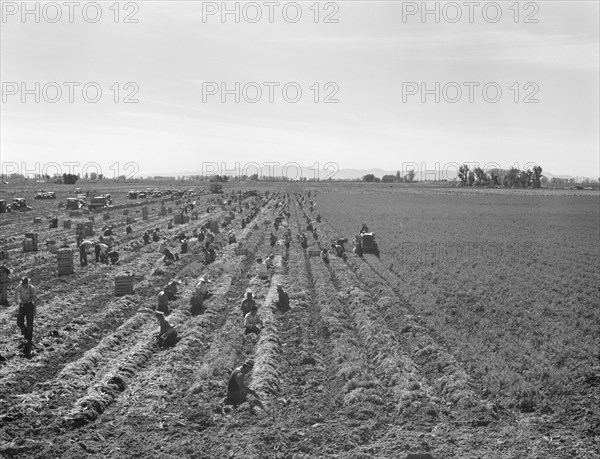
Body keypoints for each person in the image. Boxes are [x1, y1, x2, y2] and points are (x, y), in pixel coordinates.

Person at [15, 277, 37, 349]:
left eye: (24, 284)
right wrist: (17, 300)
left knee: (29, 323)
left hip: (29, 306)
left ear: (27, 283)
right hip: (22, 305)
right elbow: (16, 291)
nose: (23, 285)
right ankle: (24, 332)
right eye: (22, 284)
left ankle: (29, 340)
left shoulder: (31, 288)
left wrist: (35, 309)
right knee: (19, 321)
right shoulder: (20, 286)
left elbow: (35, 299)